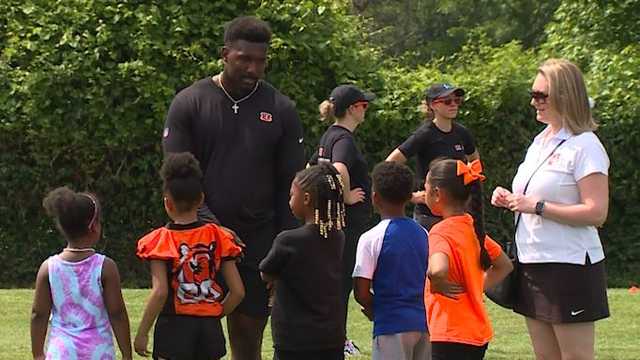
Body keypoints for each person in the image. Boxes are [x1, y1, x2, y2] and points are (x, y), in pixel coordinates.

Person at [161, 16, 305, 359]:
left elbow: (292, 187)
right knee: (193, 343)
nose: (253, 68)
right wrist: (213, 226)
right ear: (225, 54)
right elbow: (178, 177)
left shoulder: (281, 109)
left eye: (261, 61)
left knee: (247, 340)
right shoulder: (190, 102)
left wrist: (284, 250)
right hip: (196, 241)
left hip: (256, 244)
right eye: (244, 59)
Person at [491, 58, 610, 360]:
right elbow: (530, 196)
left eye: (541, 95)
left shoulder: (586, 145)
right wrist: (510, 198)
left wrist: (537, 206)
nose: (534, 102)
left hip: (569, 265)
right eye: (533, 94)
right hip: (532, 262)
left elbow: (597, 213)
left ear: (565, 95)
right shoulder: (539, 142)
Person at [134, 152, 245, 359]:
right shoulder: (218, 236)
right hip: (209, 333)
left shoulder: (160, 241)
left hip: (173, 332)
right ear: (201, 199)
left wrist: (142, 333)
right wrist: (214, 313)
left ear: (167, 203)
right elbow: (238, 291)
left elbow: (160, 293)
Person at [308, 84, 375, 356]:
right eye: (364, 105)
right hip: (347, 225)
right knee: (342, 284)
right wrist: (346, 195)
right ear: (352, 109)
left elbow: (309, 169)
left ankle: (331, 336)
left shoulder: (329, 136)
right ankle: (338, 339)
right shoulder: (344, 139)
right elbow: (339, 168)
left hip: (331, 223)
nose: (365, 110)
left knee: (332, 284)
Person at [424, 159, 513, 360]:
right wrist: (476, 285)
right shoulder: (472, 228)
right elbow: (504, 265)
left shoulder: (440, 232)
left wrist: (436, 282)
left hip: (449, 331)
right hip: (476, 332)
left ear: (437, 194)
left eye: (425, 188)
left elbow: (438, 269)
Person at [31, 187, 132, 360]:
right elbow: (117, 313)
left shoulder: (48, 268)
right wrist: (126, 354)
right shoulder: (106, 267)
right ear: (93, 227)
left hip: (60, 352)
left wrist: (38, 353)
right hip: (98, 352)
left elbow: (38, 315)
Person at [259, 163, 347, 360]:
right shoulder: (337, 237)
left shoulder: (288, 240)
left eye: (292, 195)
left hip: (294, 340)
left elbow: (266, 272)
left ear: (306, 198)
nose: (289, 200)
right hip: (331, 336)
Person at [352, 161, 430, 360]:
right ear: (408, 197)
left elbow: (361, 292)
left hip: (391, 324)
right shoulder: (423, 233)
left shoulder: (370, 238)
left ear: (375, 197)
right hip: (424, 323)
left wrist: (374, 308)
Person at [386, 83, 480, 230]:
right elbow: (389, 164)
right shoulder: (424, 134)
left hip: (458, 215)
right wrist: (410, 196)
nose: (454, 105)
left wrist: (468, 186)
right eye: (447, 101)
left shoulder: (462, 133)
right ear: (433, 105)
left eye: (457, 100)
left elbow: (475, 162)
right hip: (428, 217)